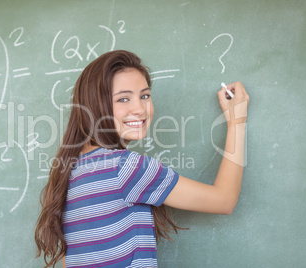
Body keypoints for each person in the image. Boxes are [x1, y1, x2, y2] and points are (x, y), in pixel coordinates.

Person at [35, 50, 250, 267]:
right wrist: (237, 120)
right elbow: (224, 200)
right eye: (123, 99)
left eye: (145, 96)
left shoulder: (69, 170)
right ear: (95, 105)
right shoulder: (126, 167)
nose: (139, 109)